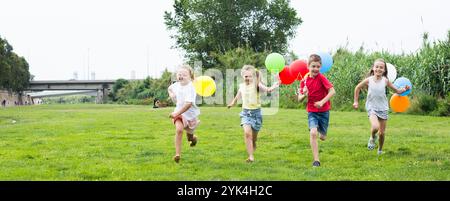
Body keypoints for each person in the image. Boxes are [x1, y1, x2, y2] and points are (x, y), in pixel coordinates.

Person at [353, 58, 410, 155]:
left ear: (384, 70)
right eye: (377, 67)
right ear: (373, 68)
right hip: (371, 107)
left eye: (381, 67)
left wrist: (404, 89)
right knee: (375, 127)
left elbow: (397, 91)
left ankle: (380, 151)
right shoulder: (369, 80)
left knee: (382, 133)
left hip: (383, 108)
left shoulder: (385, 81)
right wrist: (355, 101)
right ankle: (372, 137)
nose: (378, 69)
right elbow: (357, 87)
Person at [228, 65, 279, 163]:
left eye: (250, 76)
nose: (248, 78)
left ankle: (254, 143)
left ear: (253, 77)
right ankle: (251, 156)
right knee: (247, 133)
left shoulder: (257, 84)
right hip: (245, 113)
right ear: (243, 76)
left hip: (256, 114)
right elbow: (238, 96)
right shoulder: (241, 86)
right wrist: (232, 103)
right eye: (246, 76)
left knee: (254, 137)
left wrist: (274, 86)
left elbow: (267, 89)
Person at [298, 54, 336, 167]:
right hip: (312, 111)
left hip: (324, 111)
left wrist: (322, 102)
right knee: (313, 133)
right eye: (313, 66)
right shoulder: (304, 81)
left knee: (322, 137)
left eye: (318, 66)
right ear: (308, 66)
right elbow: (299, 100)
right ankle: (316, 160)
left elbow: (332, 91)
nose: (315, 69)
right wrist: (304, 94)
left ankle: (321, 130)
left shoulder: (322, 77)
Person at [168, 65, 200, 163]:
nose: (181, 76)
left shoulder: (191, 87)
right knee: (179, 130)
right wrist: (172, 95)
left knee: (189, 137)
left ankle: (193, 139)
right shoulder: (176, 85)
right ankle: (177, 154)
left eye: (184, 75)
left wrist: (176, 113)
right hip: (179, 113)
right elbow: (169, 88)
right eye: (179, 74)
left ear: (190, 76)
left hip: (190, 115)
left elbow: (188, 104)